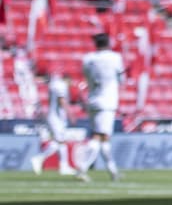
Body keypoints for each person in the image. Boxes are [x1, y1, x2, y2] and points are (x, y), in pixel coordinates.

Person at [77, 32, 124, 182]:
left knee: (103, 137)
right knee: (98, 136)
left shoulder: (88, 59)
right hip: (108, 101)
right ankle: (82, 169)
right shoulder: (115, 58)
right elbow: (121, 78)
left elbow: (85, 76)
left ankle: (113, 171)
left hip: (92, 99)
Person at [29, 72, 74, 176]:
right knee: (60, 141)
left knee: (59, 142)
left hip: (54, 116)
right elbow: (61, 100)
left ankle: (62, 166)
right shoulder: (61, 86)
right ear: (67, 79)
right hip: (57, 118)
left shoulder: (54, 85)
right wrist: (70, 113)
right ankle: (41, 159)